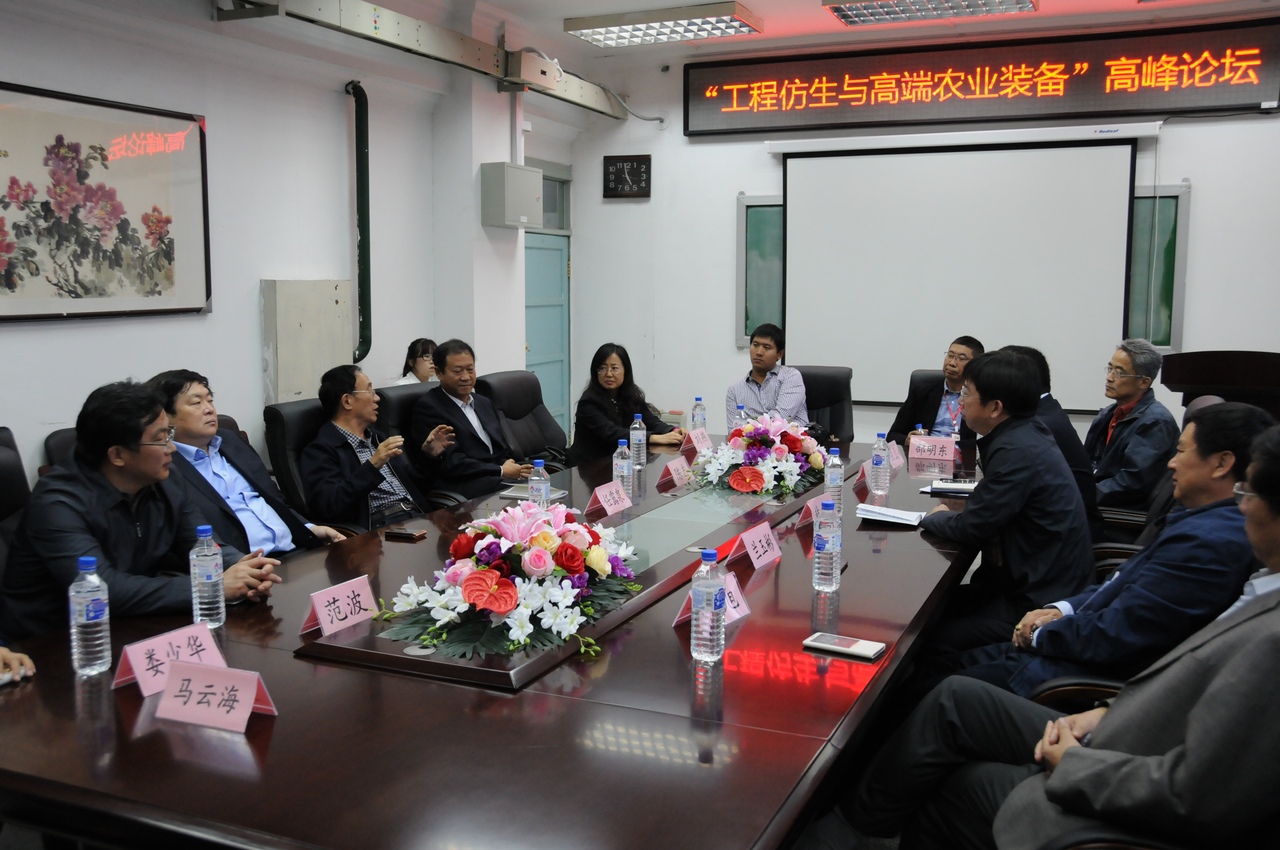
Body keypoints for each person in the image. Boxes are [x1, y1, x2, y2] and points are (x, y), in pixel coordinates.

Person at [798, 424, 1280, 850]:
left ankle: (846, 822)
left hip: (1105, 731)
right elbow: (1124, 592)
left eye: (1250, 492)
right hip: (1108, 709)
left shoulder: (1224, 561)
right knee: (941, 684)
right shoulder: (1223, 549)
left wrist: (1073, 759)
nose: (1241, 506)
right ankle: (848, 813)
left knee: (938, 706)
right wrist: (1094, 685)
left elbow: (1197, 792)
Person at [948, 402, 1273, 697]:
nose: (1172, 463)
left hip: (1069, 676)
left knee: (942, 684)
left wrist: (1043, 634)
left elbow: (1119, 634)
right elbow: (1118, 583)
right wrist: (1062, 610)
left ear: (1221, 463)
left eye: (1181, 451)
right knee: (940, 659)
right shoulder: (1197, 520)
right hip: (1069, 642)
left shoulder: (1207, 543)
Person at [0, 382, 281, 642]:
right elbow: (104, 590)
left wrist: (244, 567)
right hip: (51, 642)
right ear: (118, 455)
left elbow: (200, 544)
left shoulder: (166, 479)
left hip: (130, 626)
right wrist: (212, 586)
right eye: (160, 439)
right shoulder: (57, 504)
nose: (171, 448)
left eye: (169, 433)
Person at [920, 351, 1093, 651]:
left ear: (995, 407)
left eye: (966, 393)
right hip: (1024, 580)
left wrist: (936, 516)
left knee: (927, 638)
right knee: (926, 609)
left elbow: (972, 527)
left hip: (1035, 601)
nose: (960, 402)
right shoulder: (1026, 431)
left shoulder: (1016, 449)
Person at [147, 369, 345, 556]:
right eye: (196, 403)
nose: (209, 409)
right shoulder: (163, 466)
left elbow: (275, 499)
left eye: (210, 400)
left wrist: (309, 527)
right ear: (164, 416)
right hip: (241, 566)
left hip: (295, 551)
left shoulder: (231, 441)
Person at [301, 365, 453, 529]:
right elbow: (329, 507)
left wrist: (428, 457)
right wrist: (372, 466)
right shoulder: (321, 450)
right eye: (369, 391)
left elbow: (417, 486)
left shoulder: (377, 438)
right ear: (347, 401)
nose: (377, 398)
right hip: (379, 529)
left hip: (416, 516)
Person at [999, 345, 1102, 542]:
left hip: (1065, 539)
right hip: (1060, 526)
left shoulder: (1038, 425)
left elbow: (1005, 499)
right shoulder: (1046, 411)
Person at [410, 339, 532, 500]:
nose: (466, 377)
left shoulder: (483, 402)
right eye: (457, 371)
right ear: (439, 373)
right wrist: (500, 470)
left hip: (495, 477)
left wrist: (511, 467)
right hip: (463, 484)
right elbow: (452, 463)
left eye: (470, 369)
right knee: (532, 495)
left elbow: (500, 448)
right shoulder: (429, 408)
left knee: (541, 483)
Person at [1084, 338, 1180, 508]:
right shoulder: (1107, 414)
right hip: (1099, 501)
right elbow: (1087, 463)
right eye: (1110, 369)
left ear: (1144, 382)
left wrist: (1083, 495)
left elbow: (1132, 483)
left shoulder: (1155, 422)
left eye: (1119, 373)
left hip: (1122, 512)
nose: (1109, 378)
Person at [567, 343, 686, 465]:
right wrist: (653, 438)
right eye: (602, 368)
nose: (608, 374)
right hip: (590, 467)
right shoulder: (588, 402)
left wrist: (673, 431)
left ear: (625, 371)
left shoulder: (630, 396)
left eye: (614, 368)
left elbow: (650, 421)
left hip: (619, 463)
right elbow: (612, 433)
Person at [887, 336, 984, 448]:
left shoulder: (981, 398)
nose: (952, 363)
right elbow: (892, 436)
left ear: (975, 364)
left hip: (962, 456)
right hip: (925, 454)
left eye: (961, 358)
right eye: (950, 355)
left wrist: (952, 447)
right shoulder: (922, 393)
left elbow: (984, 442)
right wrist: (907, 440)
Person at [724, 323, 807, 427]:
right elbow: (734, 431)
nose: (759, 352)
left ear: (780, 354)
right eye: (755, 345)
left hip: (789, 437)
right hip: (750, 438)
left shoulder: (790, 377)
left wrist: (749, 429)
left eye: (767, 347)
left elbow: (781, 418)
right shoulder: (734, 391)